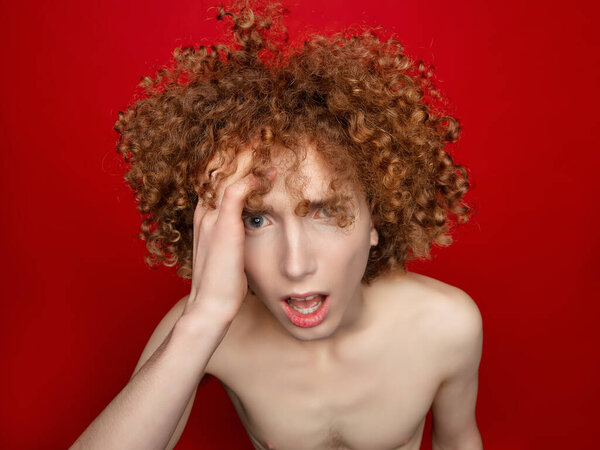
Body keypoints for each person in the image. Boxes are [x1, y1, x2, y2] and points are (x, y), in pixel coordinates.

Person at [72, 1, 483, 449]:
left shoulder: (446, 324)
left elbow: (457, 442)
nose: (295, 264)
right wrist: (203, 321)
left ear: (377, 218)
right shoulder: (203, 329)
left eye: (324, 210)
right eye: (256, 218)